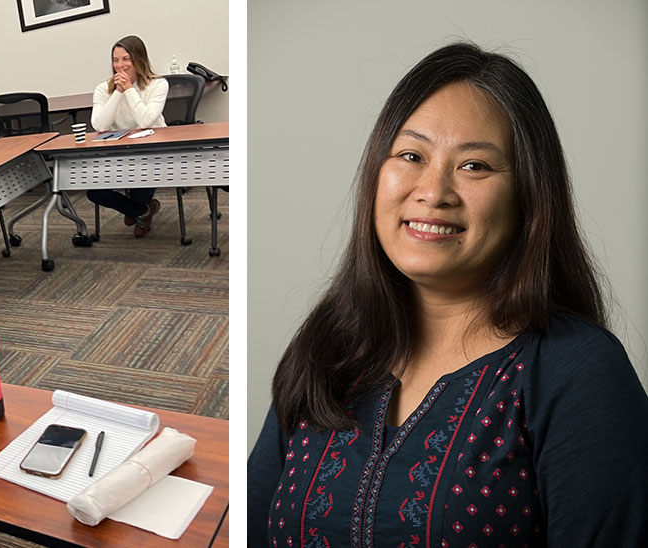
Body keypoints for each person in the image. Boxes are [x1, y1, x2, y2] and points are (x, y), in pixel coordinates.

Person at [248, 43, 648, 547]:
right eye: (411, 155)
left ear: (528, 194)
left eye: (475, 166)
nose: (434, 191)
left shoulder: (576, 371)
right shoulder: (330, 347)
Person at [88, 35, 168, 238]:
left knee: (140, 192)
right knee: (94, 191)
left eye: (126, 59)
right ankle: (141, 211)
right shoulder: (102, 89)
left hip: (152, 152)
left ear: (139, 60)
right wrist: (117, 92)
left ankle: (139, 207)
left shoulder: (157, 85)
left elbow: (145, 121)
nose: (120, 65)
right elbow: (98, 125)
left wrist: (130, 90)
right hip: (119, 153)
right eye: (115, 60)